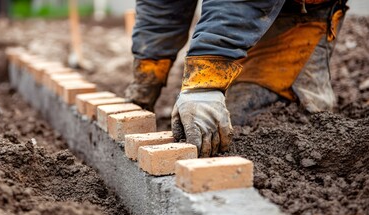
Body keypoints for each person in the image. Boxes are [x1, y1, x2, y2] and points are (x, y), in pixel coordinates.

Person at [125, 0, 348, 157]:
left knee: (290, 124)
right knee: (231, 121)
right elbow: (161, 7)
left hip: (300, 11)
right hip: (238, 11)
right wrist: (149, 67)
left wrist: (204, 84)